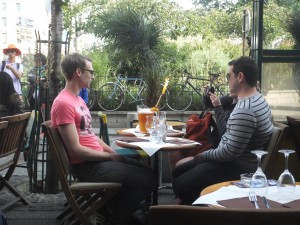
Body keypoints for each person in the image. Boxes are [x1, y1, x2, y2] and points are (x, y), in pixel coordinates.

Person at [51, 53, 155, 225]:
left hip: (97, 161)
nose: (92, 75)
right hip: (87, 166)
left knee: (147, 172)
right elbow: (75, 150)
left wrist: (112, 153)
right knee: (147, 179)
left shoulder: (78, 100)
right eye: (90, 72)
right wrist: (109, 157)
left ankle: (109, 209)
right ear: (78, 72)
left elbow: (90, 135)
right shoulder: (64, 103)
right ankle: (116, 218)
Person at [171, 56, 274, 205]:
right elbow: (230, 139)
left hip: (235, 168)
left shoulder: (246, 109)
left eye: (228, 76)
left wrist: (203, 156)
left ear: (240, 77)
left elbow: (228, 153)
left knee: (180, 185)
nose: (227, 80)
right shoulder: (257, 99)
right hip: (237, 162)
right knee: (179, 173)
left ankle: (201, 212)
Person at [168, 92, 238, 172]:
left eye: (230, 78)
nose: (228, 81)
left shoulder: (241, 108)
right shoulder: (231, 98)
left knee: (180, 166)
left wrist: (218, 107)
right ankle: (176, 182)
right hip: (209, 144)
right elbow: (209, 104)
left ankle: (179, 182)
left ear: (240, 79)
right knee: (174, 152)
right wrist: (207, 96)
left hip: (217, 152)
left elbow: (225, 135)